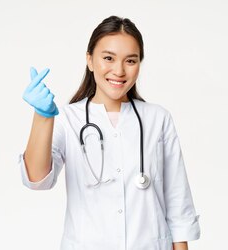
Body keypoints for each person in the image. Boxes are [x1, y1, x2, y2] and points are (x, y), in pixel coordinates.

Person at [19, 16, 200, 250]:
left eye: (131, 61)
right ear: (90, 60)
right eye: (108, 58)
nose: (119, 70)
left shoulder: (158, 118)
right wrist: (42, 117)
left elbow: (177, 200)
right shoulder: (67, 119)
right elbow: (36, 179)